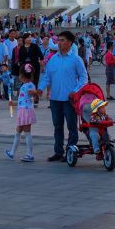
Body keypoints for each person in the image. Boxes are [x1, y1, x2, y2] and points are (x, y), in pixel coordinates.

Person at [38, 31, 87, 162]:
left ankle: (71, 152)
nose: (59, 43)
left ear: (70, 42)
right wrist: (40, 89)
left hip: (69, 99)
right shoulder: (53, 59)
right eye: (58, 40)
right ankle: (58, 151)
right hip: (55, 99)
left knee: (71, 126)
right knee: (57, 126)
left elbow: (84, 78)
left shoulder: (76, 59)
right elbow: (47, 77)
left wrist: (75, 91)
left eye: (62, 40)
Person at [6, 64, 38, 163]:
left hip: (25, 111)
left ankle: (29, 154)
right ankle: (12, 153)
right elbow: (24, 100)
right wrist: (14, 104)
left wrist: (35, 93)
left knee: (25, 132)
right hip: (25, 110)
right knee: (19, 131)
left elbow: (34, 97)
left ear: (22, 76)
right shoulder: (31, 85)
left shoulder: (26, 86)